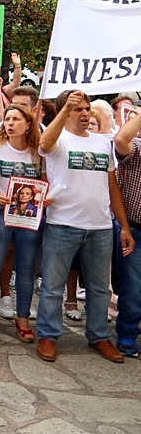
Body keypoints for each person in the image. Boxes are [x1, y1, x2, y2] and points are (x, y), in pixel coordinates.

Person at [37, 90, 134, 363]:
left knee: (100, 288)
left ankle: (99, 336)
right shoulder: (58, 140)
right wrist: (61, 110)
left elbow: (112, 186)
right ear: (63, 112)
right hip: (63, 224)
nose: (83, 113)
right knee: (53, 286)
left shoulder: (103, 143)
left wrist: (123, 227)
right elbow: (44, 144)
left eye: (86, 108)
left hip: (101, 226)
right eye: (76, 108)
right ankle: (48, 334)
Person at [0, 104, 45, 344]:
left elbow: (44, 181)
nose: (10, 123)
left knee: (26, 270)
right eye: (7, 119)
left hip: (28, 215)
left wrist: (44, 198)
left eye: (16, 119)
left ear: (28, 125)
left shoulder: (38, 153)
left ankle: (23, 317)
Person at [112, 106, 141, 358]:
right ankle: (127, 334)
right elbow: (120, 139)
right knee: (132, 289)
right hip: (134, 229)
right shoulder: (137, 149)